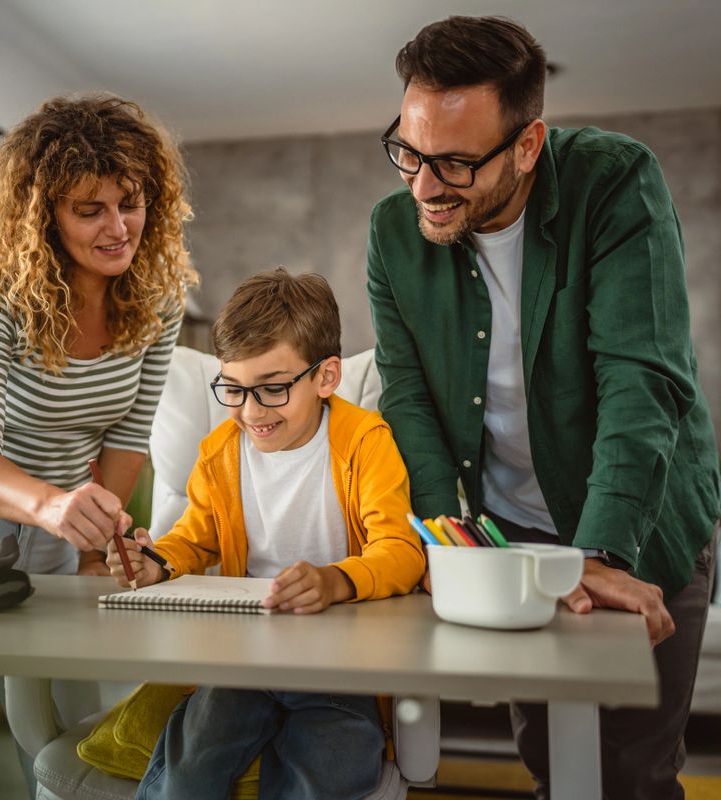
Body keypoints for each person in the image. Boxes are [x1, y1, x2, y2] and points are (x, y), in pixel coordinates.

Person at [366, 15, 719, 800]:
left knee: (633, 769)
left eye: (456, 163)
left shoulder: (615, 181)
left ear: (527, 146)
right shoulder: (393, 233)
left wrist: (602, 555)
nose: (424, 186)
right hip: (511, 533)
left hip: (643, 518)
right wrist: (445, 545)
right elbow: (409, 397)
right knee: (553, 758)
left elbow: (641, 379)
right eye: (409, 151)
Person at [0, 94, 195, 799]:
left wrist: (95, 540)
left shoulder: (156, 299)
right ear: (44, 216)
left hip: (58, 511)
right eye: (90, 210)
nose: (118, 228)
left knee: (57, 719)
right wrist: (53, 507)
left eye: (130, 203)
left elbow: (128, 435)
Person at [107, 268, 425, 800]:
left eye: (273, 388)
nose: (251, 411)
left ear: (326, 377)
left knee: (331, 765)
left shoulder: (366, 443)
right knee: (192, 763)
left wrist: (335, 581)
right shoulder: (219, 453)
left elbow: (401, 550)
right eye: (233, 389)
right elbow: (194, 539)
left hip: (339, 662)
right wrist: (155, 562)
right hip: (243, 656)